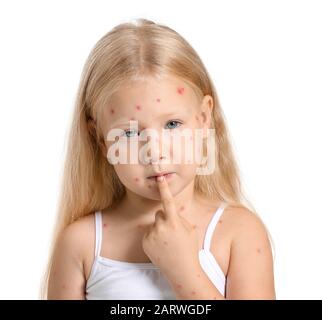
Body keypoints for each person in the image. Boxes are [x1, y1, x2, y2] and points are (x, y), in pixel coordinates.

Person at [41, 18, 275, 300]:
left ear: (202, 119)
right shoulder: (80, 244)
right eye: (129, 133)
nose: (155, 152)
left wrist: (186, 272)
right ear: (100, 139)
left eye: (173, 125)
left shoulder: (240, 233)